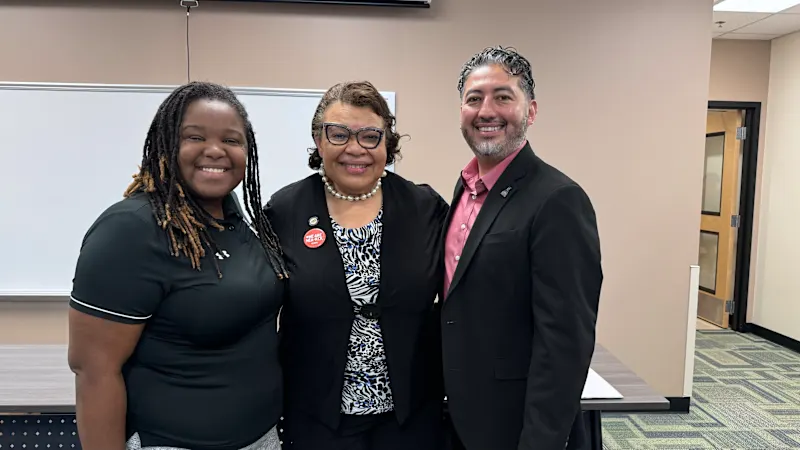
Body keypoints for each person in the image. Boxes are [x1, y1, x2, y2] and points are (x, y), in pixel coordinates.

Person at [67, 81, 288, 450]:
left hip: (261, 438)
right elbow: (94, 372)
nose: (215, 150)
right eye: (194, 137)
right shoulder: (131, 229)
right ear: (167, 144)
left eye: (232, 140)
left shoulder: (235, 217)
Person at [265, 80, 448, 450]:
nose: (355, 149)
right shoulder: (285, 211)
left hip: (412, 416)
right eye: (339, 134)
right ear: (319, 140)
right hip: (317, 418)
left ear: (386, 143)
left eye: (370, 136)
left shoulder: (424, 208)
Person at [441, 46, 603, 450]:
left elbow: (565, 342)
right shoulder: (465, 187)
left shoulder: (558, 199)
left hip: (515, 425)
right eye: (474, 98)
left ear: (530, 111)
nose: (486, 110)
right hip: (457, 416)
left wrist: (541, 441)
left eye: (503, 96)